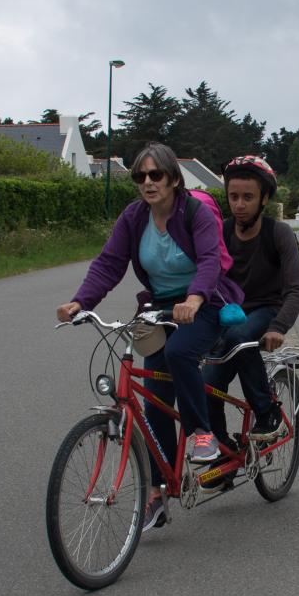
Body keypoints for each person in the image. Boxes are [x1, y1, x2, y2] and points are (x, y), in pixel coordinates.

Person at [55, 142, 244, 530]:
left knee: (178, 354)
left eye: (155, 174)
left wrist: (195, 298)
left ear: (173, 178)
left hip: (205, 301)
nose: (147, 182)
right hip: (159, 306)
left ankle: (202, 433)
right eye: (140, 176)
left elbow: (210, 261)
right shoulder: (134, 217)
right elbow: (109, 263)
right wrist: (80, 302)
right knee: (155, 399)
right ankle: (158, 492)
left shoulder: (195, 212)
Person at [201, 155, 299, 470]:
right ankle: (223, 453)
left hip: (265, 310)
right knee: (206, 384)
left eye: (248, 197)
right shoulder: (221, 232)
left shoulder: (278, 234)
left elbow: (295, 289)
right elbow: (203, 276)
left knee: (240, 335)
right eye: (233, 196)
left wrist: (278, 327)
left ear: (264, 199)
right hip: (229, 315)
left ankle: (267, 411)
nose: (239, 204)